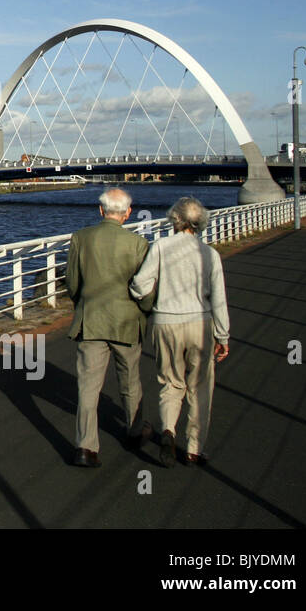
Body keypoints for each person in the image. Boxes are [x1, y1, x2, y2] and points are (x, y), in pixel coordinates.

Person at [130, 197, 229, 468]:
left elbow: (140, 284)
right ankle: (194, 449)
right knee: (200, 386)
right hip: (200, 322)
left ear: (175, 219)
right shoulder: (210, 254)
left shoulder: (161, 246)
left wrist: (145, 298)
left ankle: (169, 431)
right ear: (200, 222)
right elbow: (219, 299)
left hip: (166, 323)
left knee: (170, 382)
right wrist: (223, 336)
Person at [64, 188, 154, 467]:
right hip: (127, 322)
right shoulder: (138, 243)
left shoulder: (81, 238)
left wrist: (83, 304)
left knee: (88, 386)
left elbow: (72, 282)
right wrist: (145, 310)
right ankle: (135, 431)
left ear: (100, 210)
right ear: (128, 212)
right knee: (129, 381)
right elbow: (146, 288)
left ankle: (85, 448)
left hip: (90, 320)